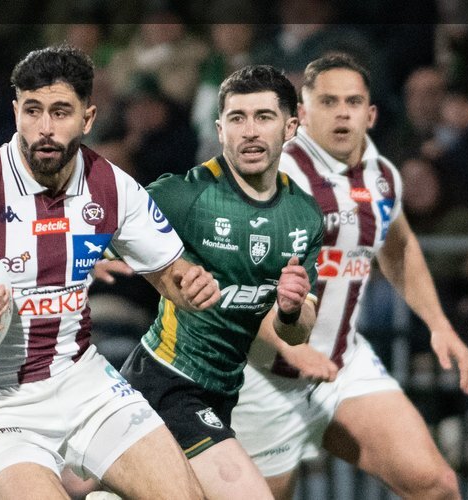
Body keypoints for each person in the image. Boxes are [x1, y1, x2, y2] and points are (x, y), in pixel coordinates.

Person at [0, 45, 218, 500]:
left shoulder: (112, 186)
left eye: (60, 112)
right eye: (32, 110)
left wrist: (190, 286)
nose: (44, 128)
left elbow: (171, 275)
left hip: (83, 381)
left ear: (88, 118)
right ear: (15, 111)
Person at [231, 53, 468, 499]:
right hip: (263, 375)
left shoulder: (381, 176)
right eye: (328, 102)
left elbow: (399, 248)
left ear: (370, 114)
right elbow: (234, 284)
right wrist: (291, 348)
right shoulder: (271, 174)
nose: (342, 113)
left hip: (342, 364)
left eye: (353, 102)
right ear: (302, 114)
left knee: (436, 485)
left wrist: (438, 323)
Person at [117, 65, 324, 499]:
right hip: (166, 379)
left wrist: (290, 309)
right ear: (219, 129)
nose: (249, 131)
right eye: (237, 118)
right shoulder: (187, 195)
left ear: (290, 126)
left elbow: (297, 332)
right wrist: (99, 256)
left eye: (263, 117)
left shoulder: (304, 216)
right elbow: (107, 220)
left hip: (222, 393)